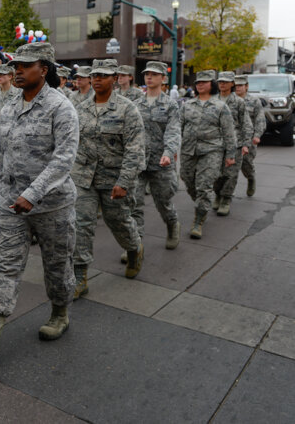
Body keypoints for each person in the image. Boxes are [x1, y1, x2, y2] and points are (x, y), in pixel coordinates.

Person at [0, 42, 78, 359]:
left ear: (44, 69)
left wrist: (33, 194)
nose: (18, 71)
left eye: (25, 66)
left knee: (57, 267)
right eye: (15, 66)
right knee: (6, 265)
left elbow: (64, 159)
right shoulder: (10, 104)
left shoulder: (61, 107)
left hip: (53, 205)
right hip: (13, 205)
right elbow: (4, 153)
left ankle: (59, 313)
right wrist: (2, 194)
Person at [72, 59, 146, 296]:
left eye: (103, 75)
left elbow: (135, 149)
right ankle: (79, 275)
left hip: (114, 179)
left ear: (115, 78)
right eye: (94, 75)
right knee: (80, 225)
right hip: (83, 178)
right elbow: (72, 142)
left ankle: (134, 248)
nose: (96, 79)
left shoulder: (127, 109)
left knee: (119, 222)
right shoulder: (80, 108)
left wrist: (124, 182)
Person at [129, 61, 181, 254]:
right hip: (139, 162)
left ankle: (172, 225)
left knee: (163, 202)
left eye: (154, 74)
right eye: (146, 74)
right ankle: (135, 245)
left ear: (163, 78)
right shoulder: (136, 104)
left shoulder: (170, 105)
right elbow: (131, 132)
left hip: (161, 162)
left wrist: (168, 153)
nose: (149, 77)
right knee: (134, 204)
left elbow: (173, 132)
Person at [179, 71, 236, 239]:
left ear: (212, 84)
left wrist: (230, 154)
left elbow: (229, 132)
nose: (200, 84)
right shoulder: (187, 105)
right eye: (198, 82)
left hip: (212, 150)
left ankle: (199, 220)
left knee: (204, 186)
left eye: (204, 82)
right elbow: (178, 128)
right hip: (189, 150)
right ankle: (203, 202)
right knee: (188, 181)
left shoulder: (220, 106)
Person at [212, 71, 252, 216]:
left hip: (236, 143)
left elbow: (246, 124)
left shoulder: (239, 102)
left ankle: (226, 199)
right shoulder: (212, 100)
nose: (222, 84)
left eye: (225, 81)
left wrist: (246, 144)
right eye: (220, 81)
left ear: (232, 84)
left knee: (231, 174)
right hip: (215, 143)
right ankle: (217, 194)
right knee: (216, 174)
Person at [235, 75, 265, 196]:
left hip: (248, 138)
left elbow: (260, 120)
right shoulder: (230, 100)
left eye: (240, 85)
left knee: (246, 164)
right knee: (228, 167)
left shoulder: (254, 101)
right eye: (236, 85)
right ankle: (224, 194)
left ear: (246, 86)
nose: (238, 88)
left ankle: (251, 178)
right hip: (232, 138)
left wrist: (257, 135)